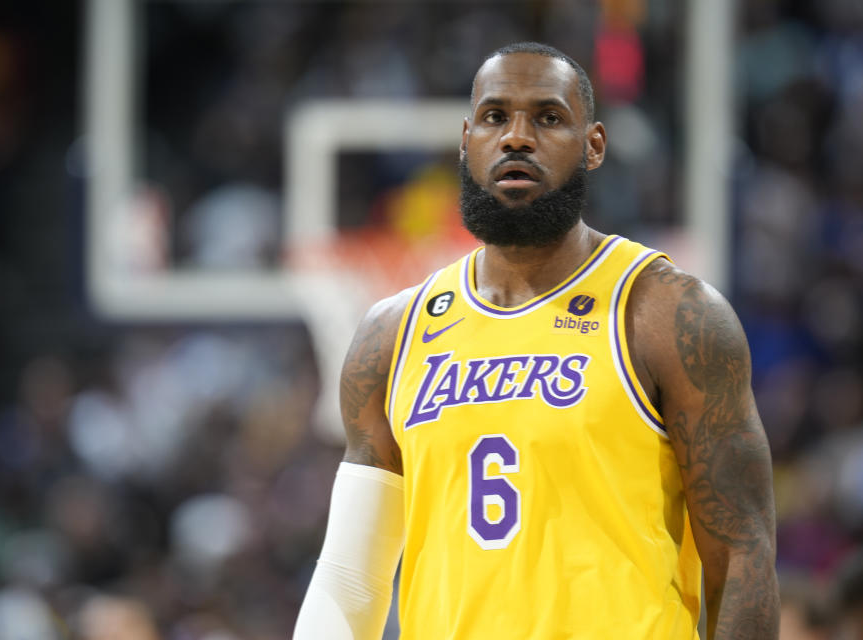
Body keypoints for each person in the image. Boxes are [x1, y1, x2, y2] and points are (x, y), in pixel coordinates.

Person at [292, 42, 779, 639]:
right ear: (466, 139)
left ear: (594, 145)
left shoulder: (665, 312)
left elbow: (743, 556)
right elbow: (350, 580)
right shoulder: (393, 334)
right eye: (495, 117)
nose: (517, 137)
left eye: (548, 117)